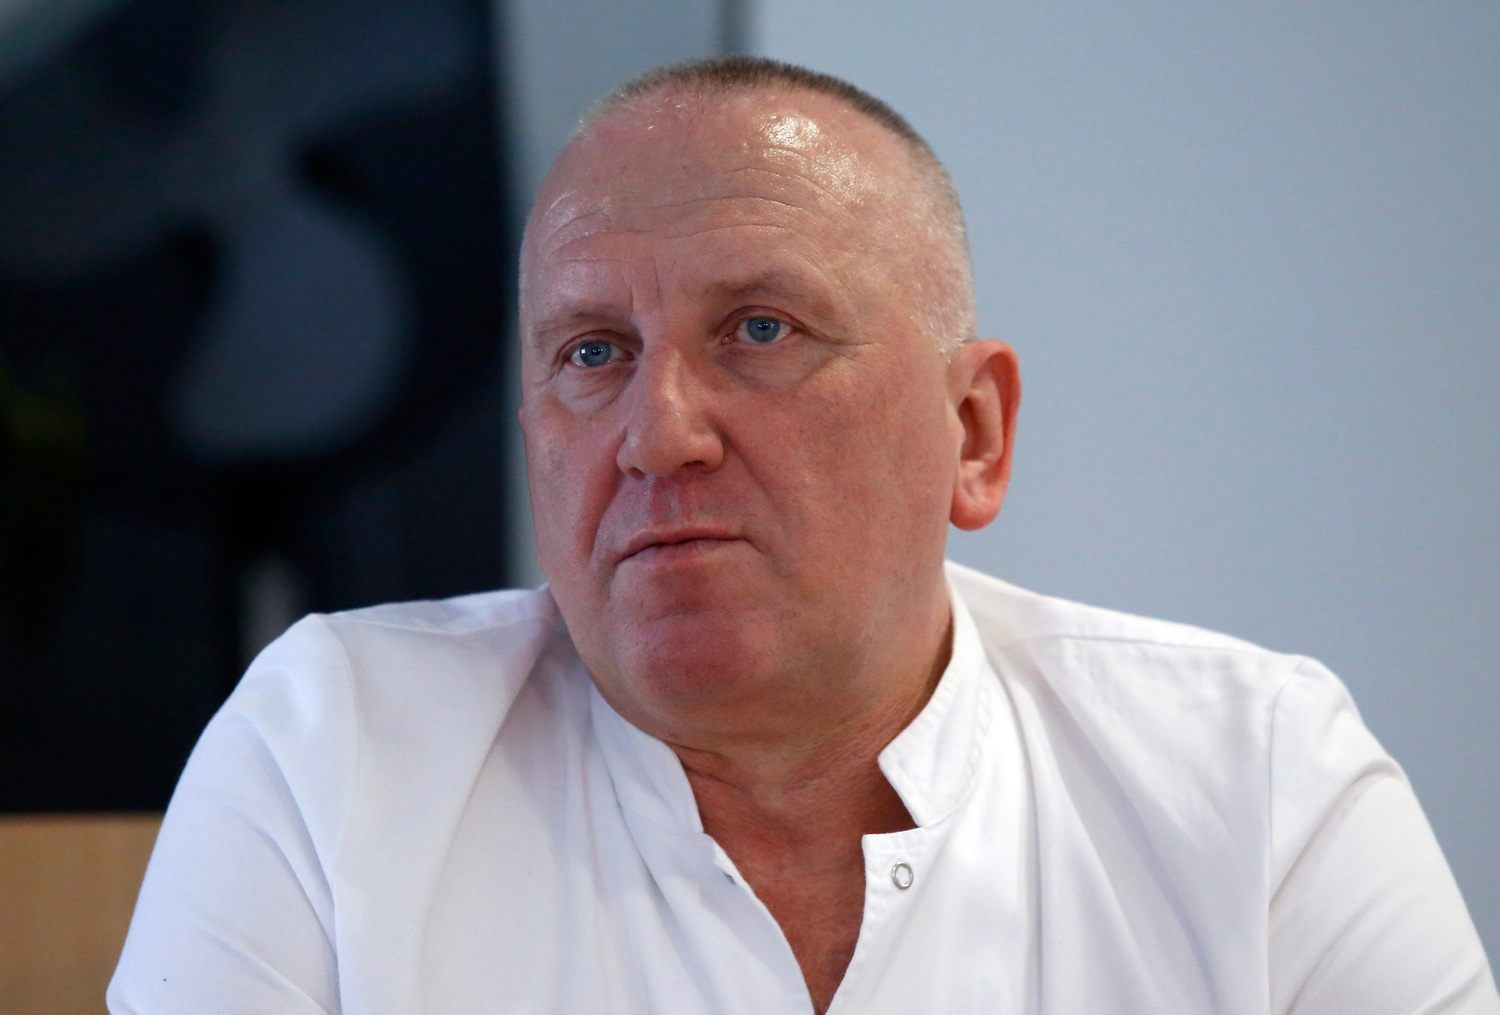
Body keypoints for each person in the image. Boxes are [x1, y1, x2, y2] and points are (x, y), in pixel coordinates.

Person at [108, 57, 1497, 1014]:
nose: (657, 433)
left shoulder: (1258, 784)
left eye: (759, 330)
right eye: (592, 352)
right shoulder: (331, 757)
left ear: (973, 432)